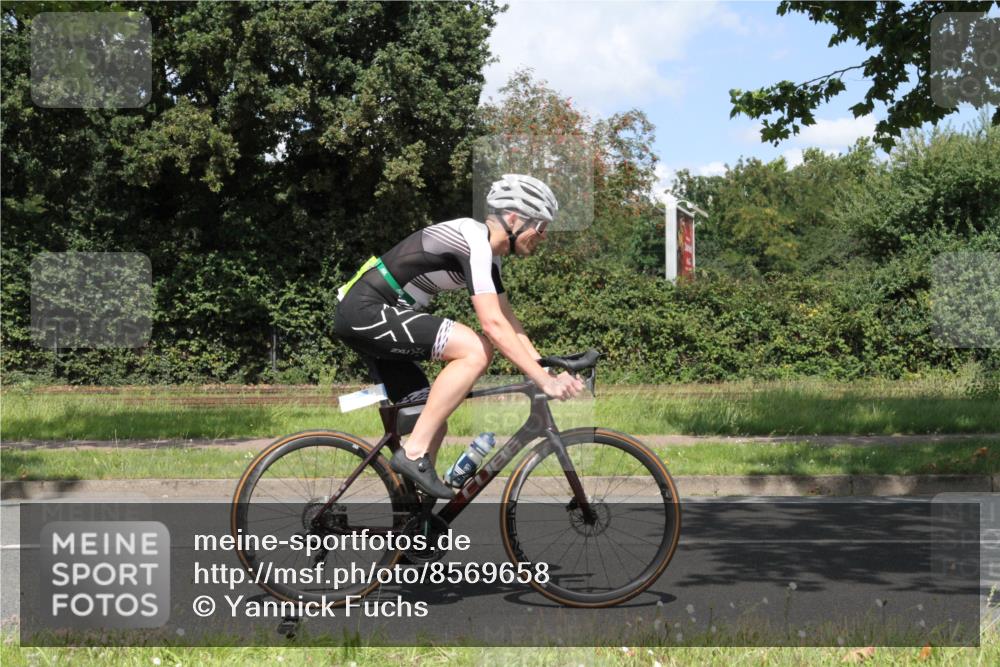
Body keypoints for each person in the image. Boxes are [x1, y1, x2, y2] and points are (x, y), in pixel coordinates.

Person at [333, 174, 584, 498]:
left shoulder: (489, 258)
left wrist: (545, 370)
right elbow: (492, 326)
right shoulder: (472, 239)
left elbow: (508, 320)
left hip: (377, 316)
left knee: (433, 421)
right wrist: (542, 380)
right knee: (476, 349)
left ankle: (414, 528)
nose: (544, 236)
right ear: (513, 218)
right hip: (366, 311)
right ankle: (413, 454)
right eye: (541, 226)